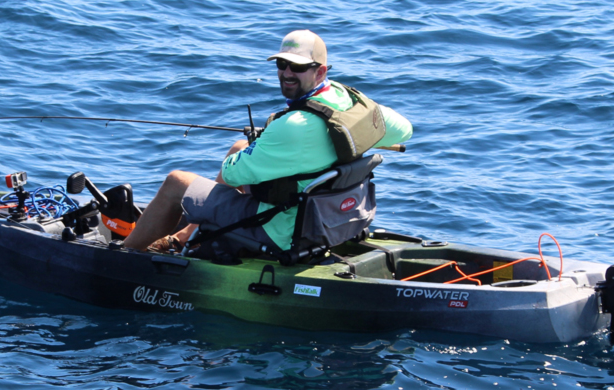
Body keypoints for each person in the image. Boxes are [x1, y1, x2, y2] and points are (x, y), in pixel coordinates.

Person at [123, 30, 412, 253]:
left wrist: (266, 140)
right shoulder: (351, 103)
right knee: (241, 147)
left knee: (177, 181)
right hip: (332, 219)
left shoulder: (292, 126)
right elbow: (405, 130)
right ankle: (189, 233)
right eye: (282, 64)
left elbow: (232, 173)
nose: (287, 73)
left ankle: (125, 254)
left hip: (283, 230)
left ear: (320, 71)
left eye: (297, 67)